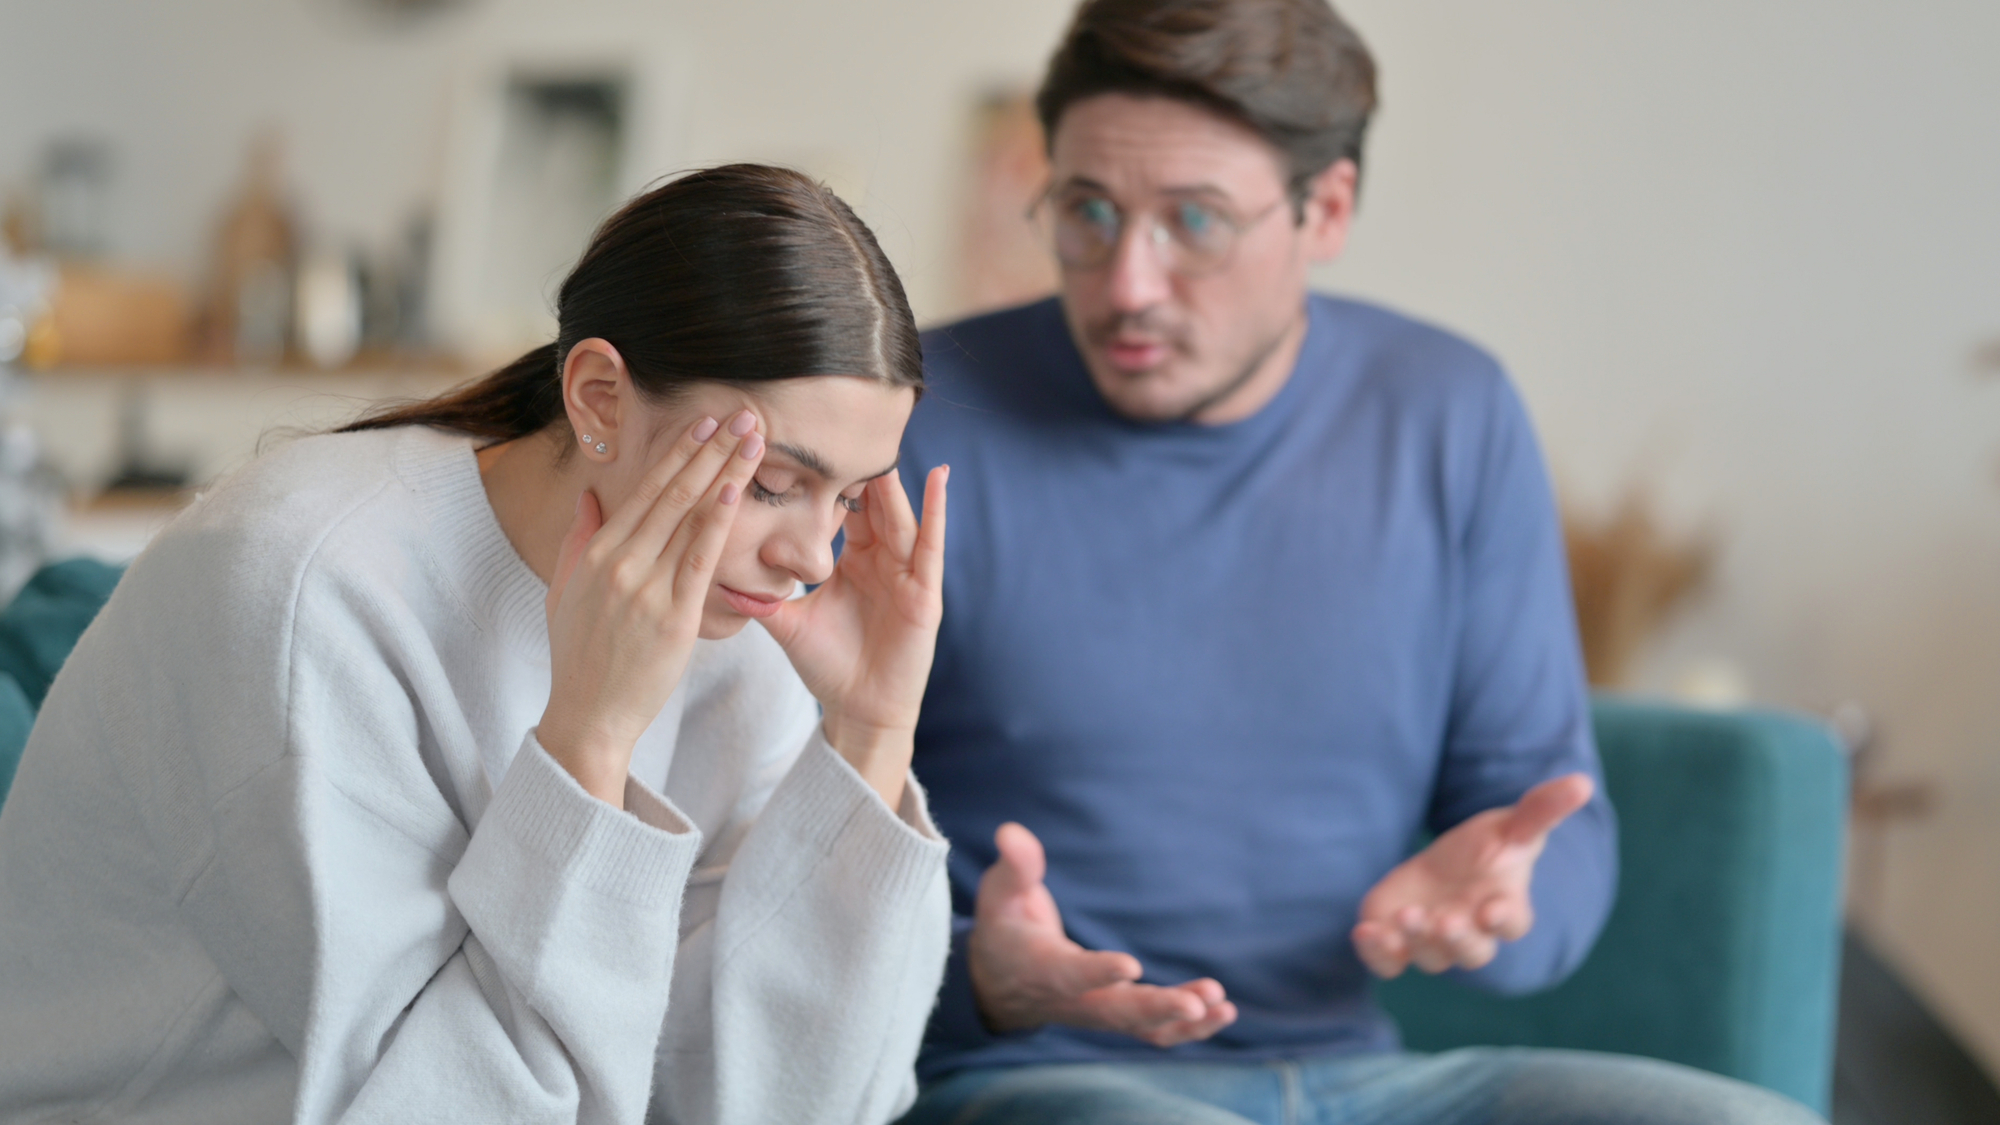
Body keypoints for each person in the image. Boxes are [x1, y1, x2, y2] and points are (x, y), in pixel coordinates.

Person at [892, 2, 1823, 1123]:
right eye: (1086, 212)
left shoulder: (1449, 413)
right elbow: (766, 849)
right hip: (1039, 1074)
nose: (1128, 283)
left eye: (1193, 221)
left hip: (1364, 1076)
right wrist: (976, 978)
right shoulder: (912, 423)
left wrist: (1505, 895)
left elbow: (1541, 808)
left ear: (1324, 208)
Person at [0, 165, 953, 1125]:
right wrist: (591, 736)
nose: (812, 558)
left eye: (851, 497)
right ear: (599, 396)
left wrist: (870, 733)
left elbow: (790, 1103)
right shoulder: (302, 590)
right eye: (772, 482)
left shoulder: (734, 609)